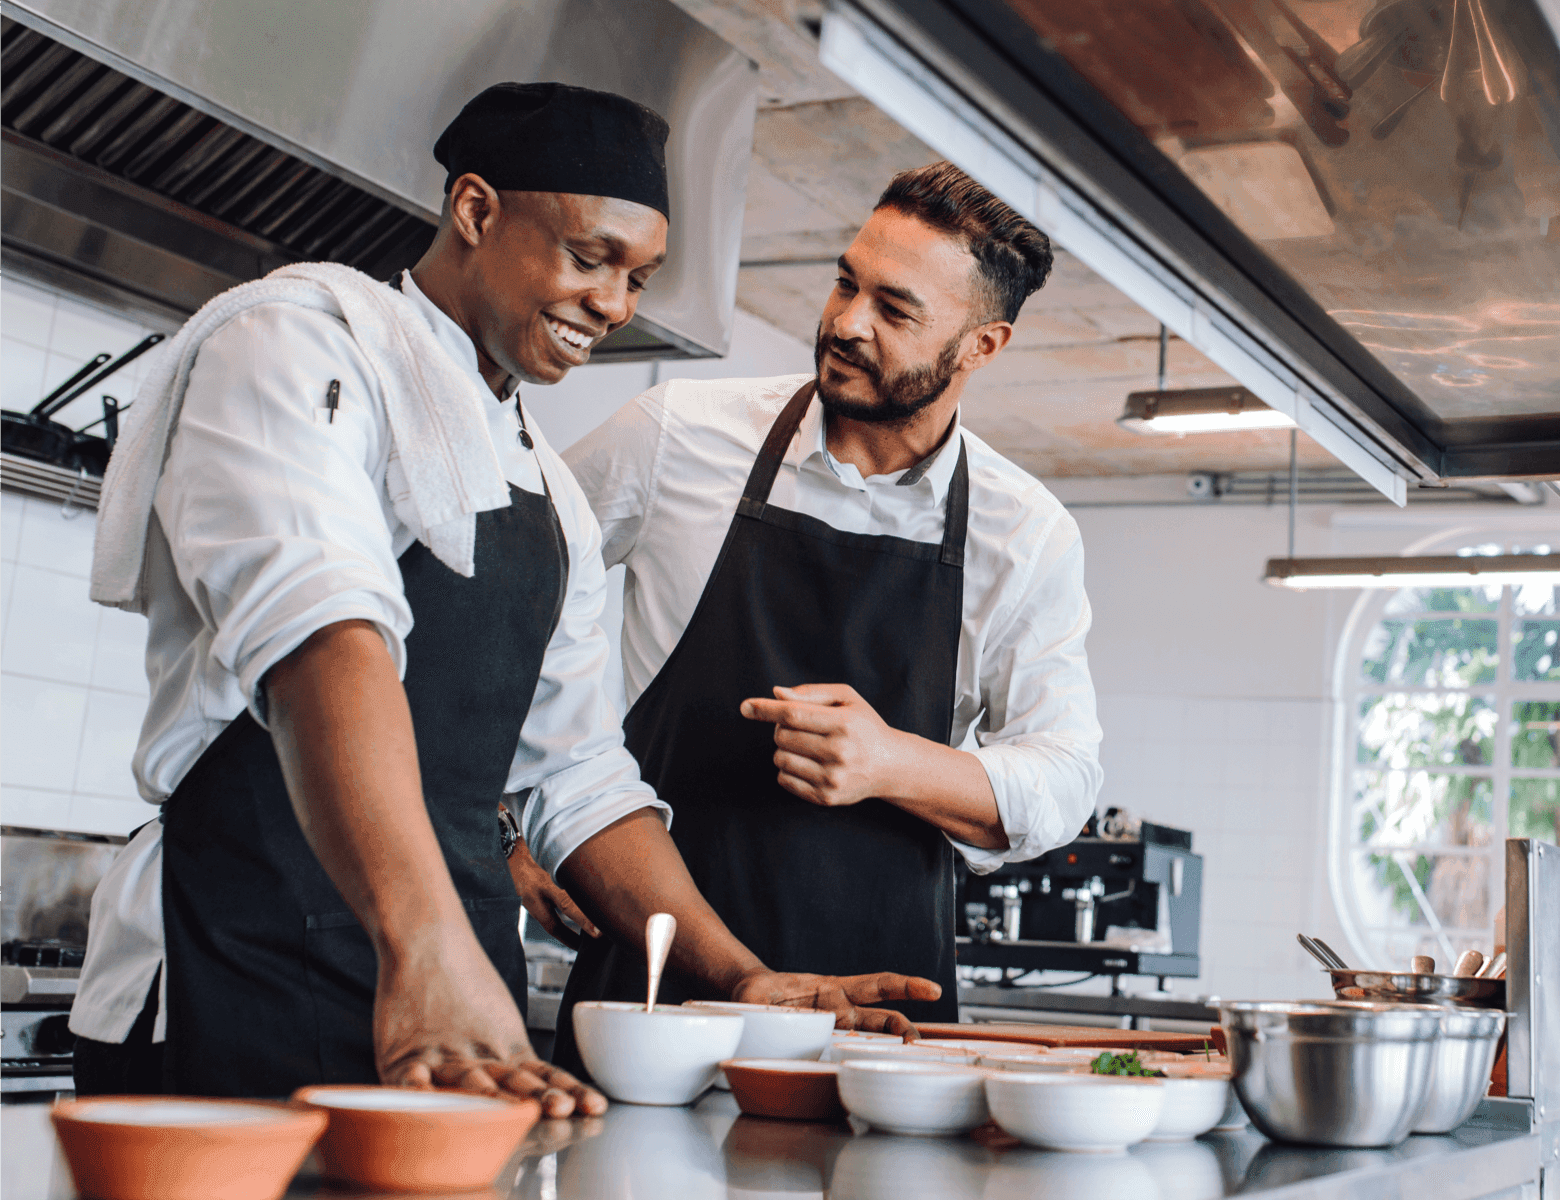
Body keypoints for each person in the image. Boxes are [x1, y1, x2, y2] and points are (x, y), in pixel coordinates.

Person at [69, 82, 932, 1113]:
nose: (615, 305)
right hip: (238, 957)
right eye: (588, 256)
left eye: (640, 277)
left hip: (457, 1004)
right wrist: (421, 940)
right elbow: (320, 638)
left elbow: (576, 778)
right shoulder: (296, 346)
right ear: (476, 211)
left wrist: (738, 975)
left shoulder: (553, 494)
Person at [551, 162, 1102, 1069]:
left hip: (880, 1024)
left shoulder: (1025, 531)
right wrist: (512, 825)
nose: (846, 321)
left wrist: (891, 761)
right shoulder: (675, 435)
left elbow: (1066, 778)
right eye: (847, 281)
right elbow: (501, 601)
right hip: (652, 992)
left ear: (981, 346)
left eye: (896, 308)